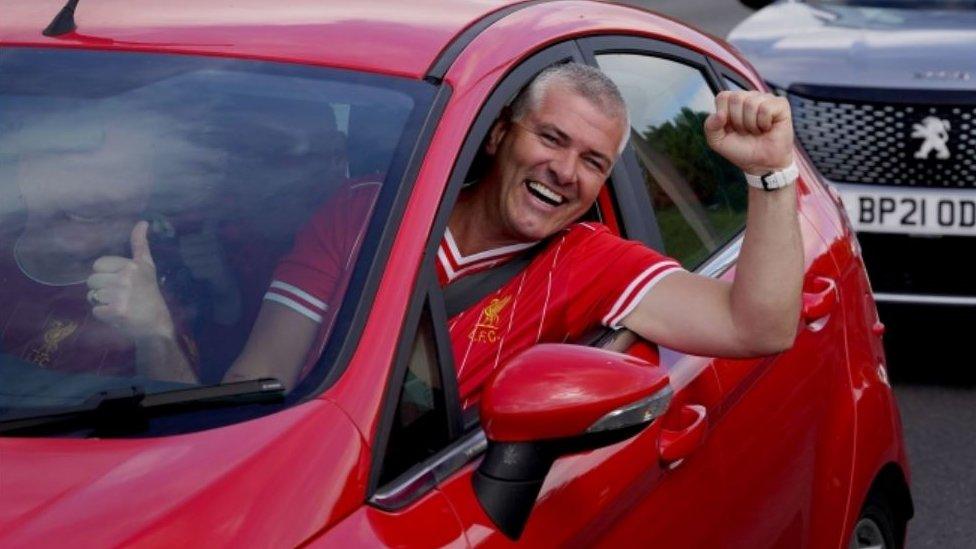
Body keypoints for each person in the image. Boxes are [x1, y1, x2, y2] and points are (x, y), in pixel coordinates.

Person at [124, 63, 802, 404]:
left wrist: (770, 175)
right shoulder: (364, 214)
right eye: (551, 138)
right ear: (501, 134)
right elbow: (258, 382)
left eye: (593, 162)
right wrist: (156, 338)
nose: (564, 171)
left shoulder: (594, 260)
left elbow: (758, 328)